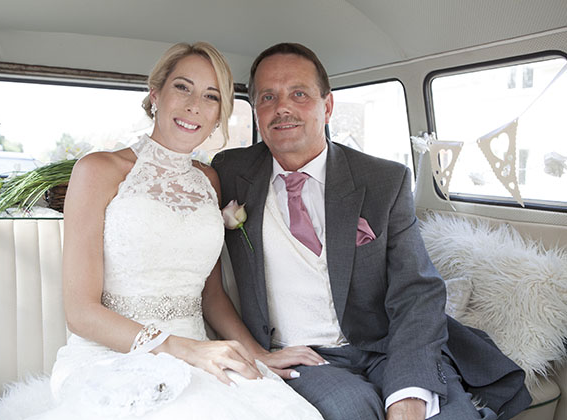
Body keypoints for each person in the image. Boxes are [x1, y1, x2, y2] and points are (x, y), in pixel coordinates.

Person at [212, 43, 532, 420]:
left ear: (327, 106)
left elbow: (417, 290)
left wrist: (409, 391)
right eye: (268, 97)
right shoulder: (230, 171)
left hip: (385, 343)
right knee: (354, 410)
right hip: (301, 352)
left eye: (299, 94)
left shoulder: (383, 180)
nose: (283, 107)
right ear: (256, 109)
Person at [34, 42, 324, 419]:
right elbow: (81, 313)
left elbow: (212, 295)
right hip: (112, 357)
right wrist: (181, 349)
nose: (194, 106)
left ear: (220, 113)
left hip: (199, 352)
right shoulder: (98, 170)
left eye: (211, 96)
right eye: (182, 88)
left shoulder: (209, 181)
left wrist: (258, 354)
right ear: (155, 94)